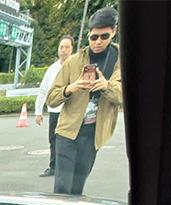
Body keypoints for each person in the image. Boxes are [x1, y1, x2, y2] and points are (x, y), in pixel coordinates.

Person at [47, 7, 122, 195]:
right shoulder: (74, 61)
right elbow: (51, 98)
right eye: (93, 37)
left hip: (93, 135)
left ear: (114, 31)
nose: (98, 42)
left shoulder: (121, 61)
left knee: (77, 188)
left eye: (104, 36)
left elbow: (124, 97)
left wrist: (106, 86)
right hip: (67, 132)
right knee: (62, 188)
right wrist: (71, 88)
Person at [35, 35, 75, 178]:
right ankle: (53, 166)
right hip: (55, 110)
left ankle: (70, 167)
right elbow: (43, 90)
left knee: (71, 140)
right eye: (61, 47)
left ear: (72, 49)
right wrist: (38, 111)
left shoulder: (77, 67)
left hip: (72, 111)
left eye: (66, 47)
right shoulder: (52, 69)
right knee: (53, 140)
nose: (63, 50)